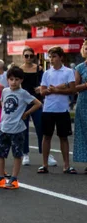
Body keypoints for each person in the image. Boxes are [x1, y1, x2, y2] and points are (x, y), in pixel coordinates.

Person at [0, 67, 42, 189]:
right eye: (11, 79)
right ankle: (1, 177)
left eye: (16, 79)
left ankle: (14, 179)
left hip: (17, 129)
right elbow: (3, 105)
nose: (13, 82)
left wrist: (26, 113)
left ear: (21, 80)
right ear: (7, 80)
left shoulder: (23, 93)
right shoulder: (5, 91)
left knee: (17, 154)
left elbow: (38, 103)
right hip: (4, 127)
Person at [39, 46, 76, 174]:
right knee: (46, 136)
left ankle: (66, 165)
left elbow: (72, 90)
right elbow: (42, 92)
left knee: (63, 137)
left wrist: (57, 90)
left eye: (54, 56)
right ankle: (44, 165)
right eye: (50, 57)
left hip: (62, 109)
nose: (51, 59)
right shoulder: (47, 73)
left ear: (61, 57)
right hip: (48, 109)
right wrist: (48, 91)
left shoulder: (68, 72)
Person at [19, 46, 47, 167]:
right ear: (23, 57)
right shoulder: (19, 70)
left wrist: (40, 88)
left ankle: (45, 152)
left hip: (36, 101)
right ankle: (25, 153)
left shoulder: (39, 69)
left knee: (40, 126)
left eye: (31, 56)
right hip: (24, 102)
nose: (29, 58)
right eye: (26, 56)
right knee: (24, 129)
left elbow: (44, 83)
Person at [74, 40, 87, 172]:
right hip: (84, 102)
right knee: (85, 132)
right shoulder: (79, 68)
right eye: (86, 48)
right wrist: (85, 86)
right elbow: (74, 87)